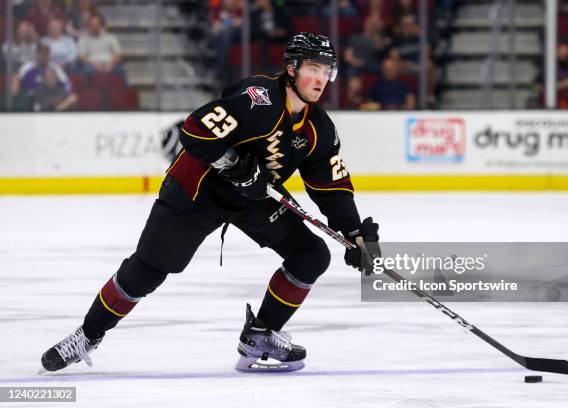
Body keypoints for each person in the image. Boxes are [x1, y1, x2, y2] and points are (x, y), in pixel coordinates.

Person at [40, 32, 381, 373]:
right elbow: (193, 130)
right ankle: (87, 334)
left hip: (252, 197)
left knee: (311, 255)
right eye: (313, 68)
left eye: (326, 71)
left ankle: (261, 333)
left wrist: (354, 233)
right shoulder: (257, 99)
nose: (320, 79)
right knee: (148, 271)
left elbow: (332, 188)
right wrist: (237, 165)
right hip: (197, 188)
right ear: (291, 68)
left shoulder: (318, 129)